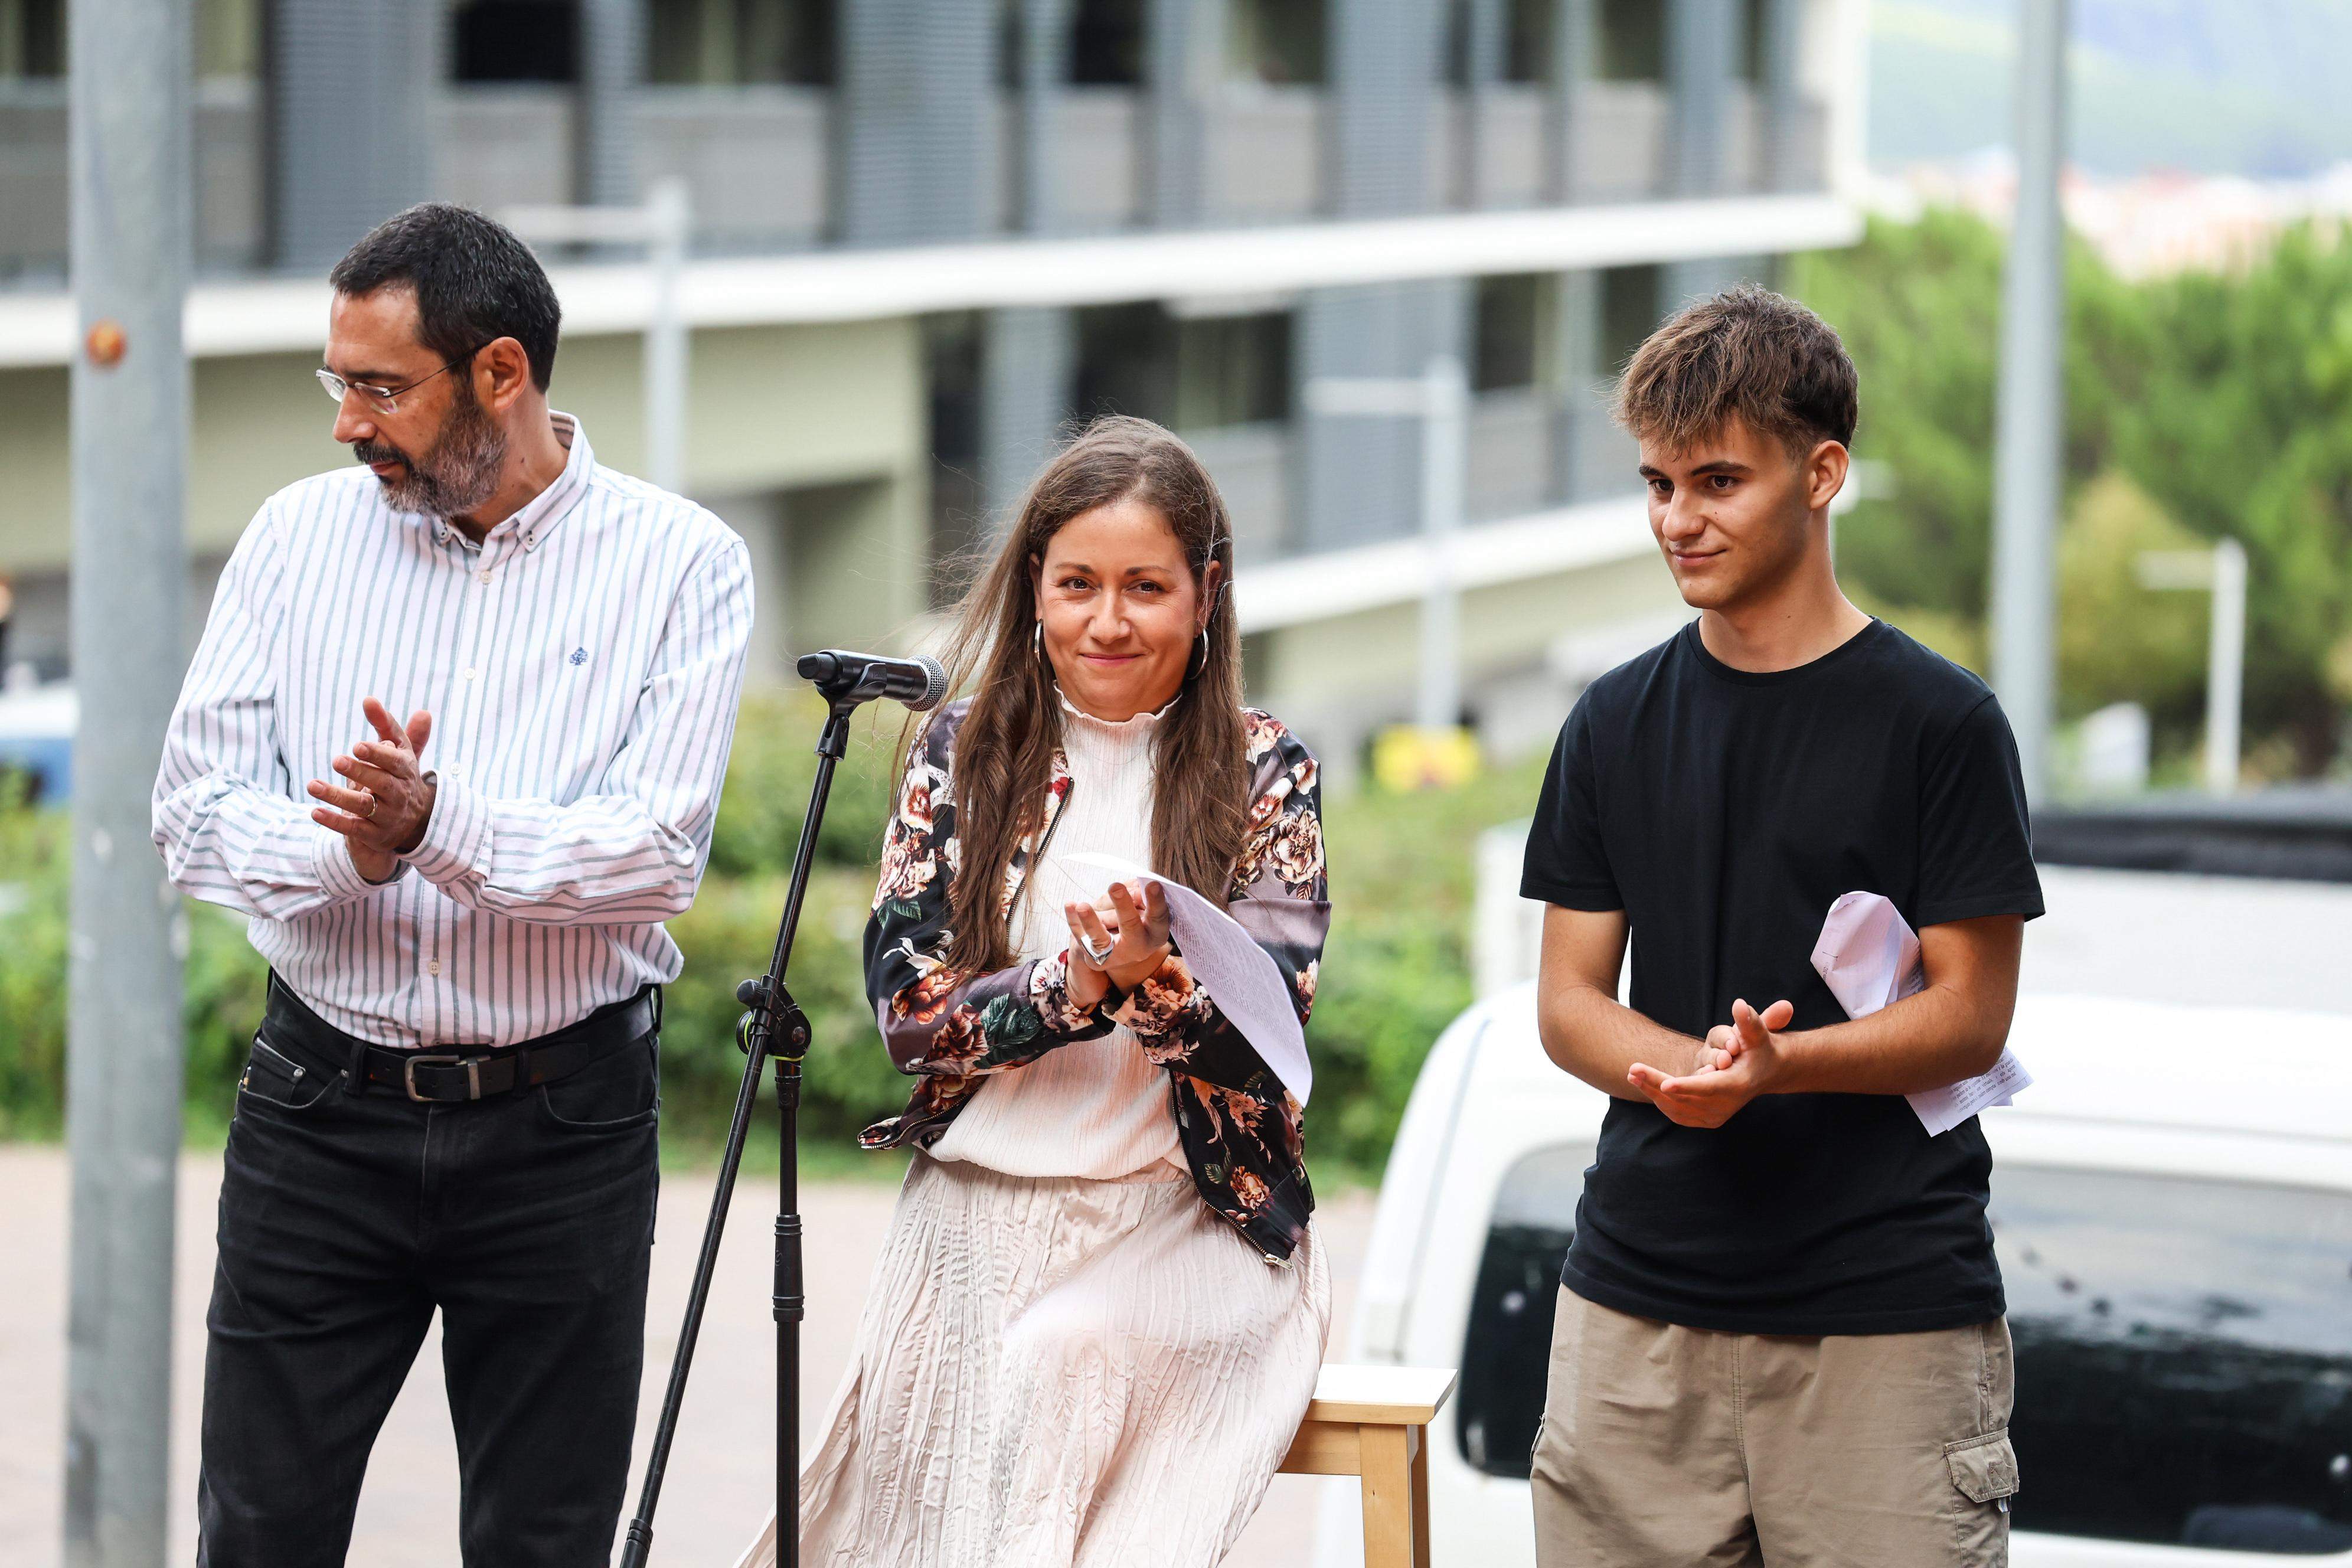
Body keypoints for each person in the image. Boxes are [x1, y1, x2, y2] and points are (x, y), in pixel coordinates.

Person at [151, 202, 754, 1567]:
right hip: (318, 1113)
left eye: (380, 387)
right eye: (339, 382)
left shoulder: (683, 564)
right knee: (257, 1533)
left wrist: (439, 825)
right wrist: (348, 852)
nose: (348, 423)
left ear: (500, 373)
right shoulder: (296, 538)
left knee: (543, 1544)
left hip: (564, 1129)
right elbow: (191, 816)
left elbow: (655, 854)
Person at [737, 415, 1330, 1568]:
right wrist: (1077, 982)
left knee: (1061, 1365)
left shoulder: (1265, 769)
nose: (1108, 620)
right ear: (1034, 589)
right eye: (1077, 584)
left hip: (1182, 1219)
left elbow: (1274, 1045)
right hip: (969, 1215)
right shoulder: (957, 751)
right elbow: (912, 1017)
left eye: (1146, 585)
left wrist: (1154, 991)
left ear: (1206, 594)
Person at [1521, 285, 2041, 1566]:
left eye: (1716, 480)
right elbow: (1568, 999)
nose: (1677, 520)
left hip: (1886, 1324)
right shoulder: (1612, 719)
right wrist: (1686, 1071)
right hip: (1633, 1314)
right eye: (1656, 484)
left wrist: (1783, 1064)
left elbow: (1974, 1013)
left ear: (1824, 473)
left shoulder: (1943, 723)